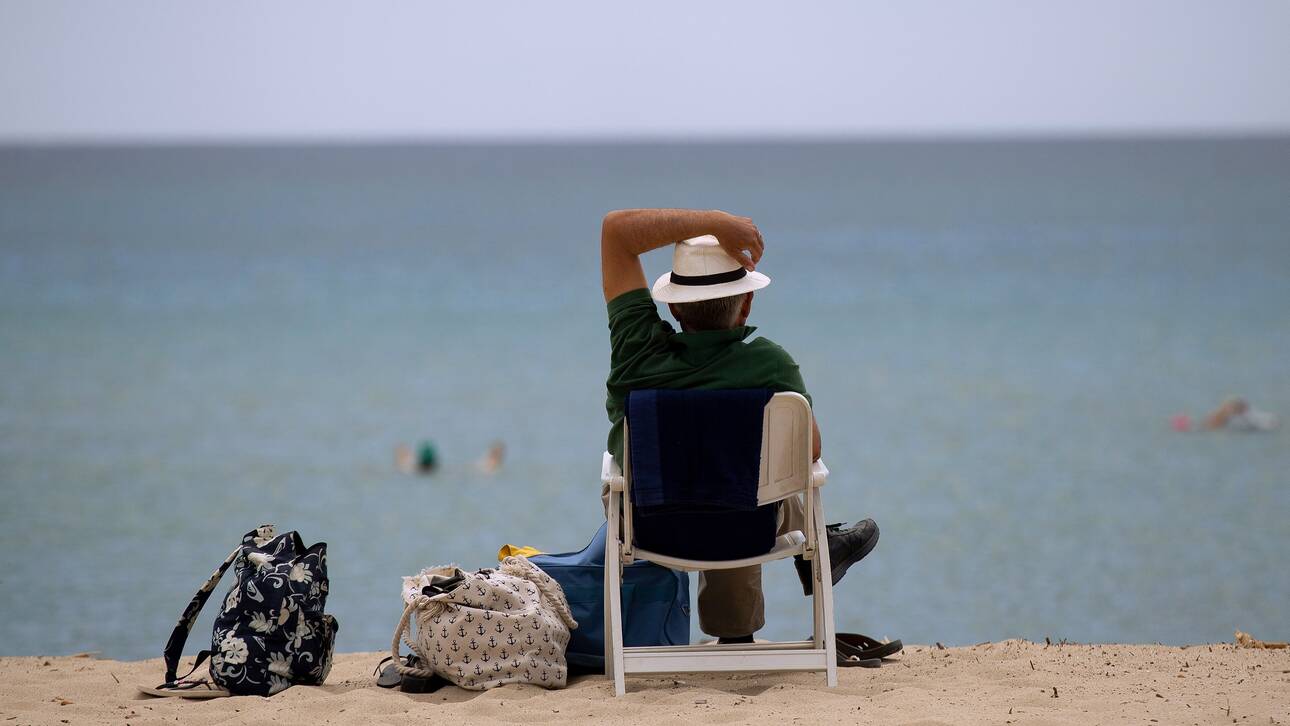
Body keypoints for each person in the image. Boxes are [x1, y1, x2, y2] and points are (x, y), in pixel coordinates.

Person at [599, 208, 879, 644]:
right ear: (747, 302)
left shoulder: (637, 352)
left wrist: (709, 222)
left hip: (646, 525)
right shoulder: (770, 364)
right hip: (742, 530)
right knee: (746, 477)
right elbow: (811, 452)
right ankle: (740, 632)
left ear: (672, 304)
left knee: (713, 473)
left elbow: (615, 231)